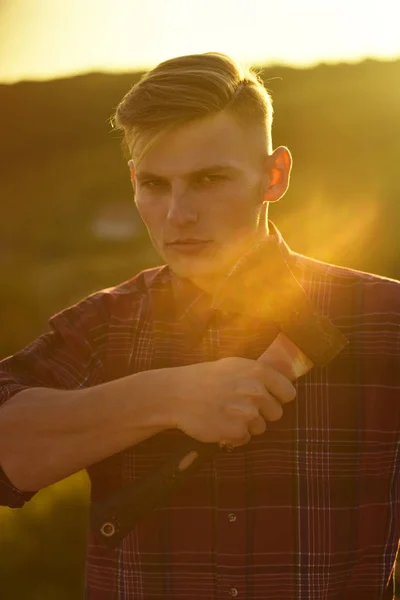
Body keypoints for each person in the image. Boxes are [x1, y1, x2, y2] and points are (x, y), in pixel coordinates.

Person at [0, 52, 399, 600]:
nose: (177, 214)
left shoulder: (384, 321)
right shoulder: (104, 325)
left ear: (273, 176)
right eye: (156, 185)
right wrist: (166, 396)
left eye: (209, 179)